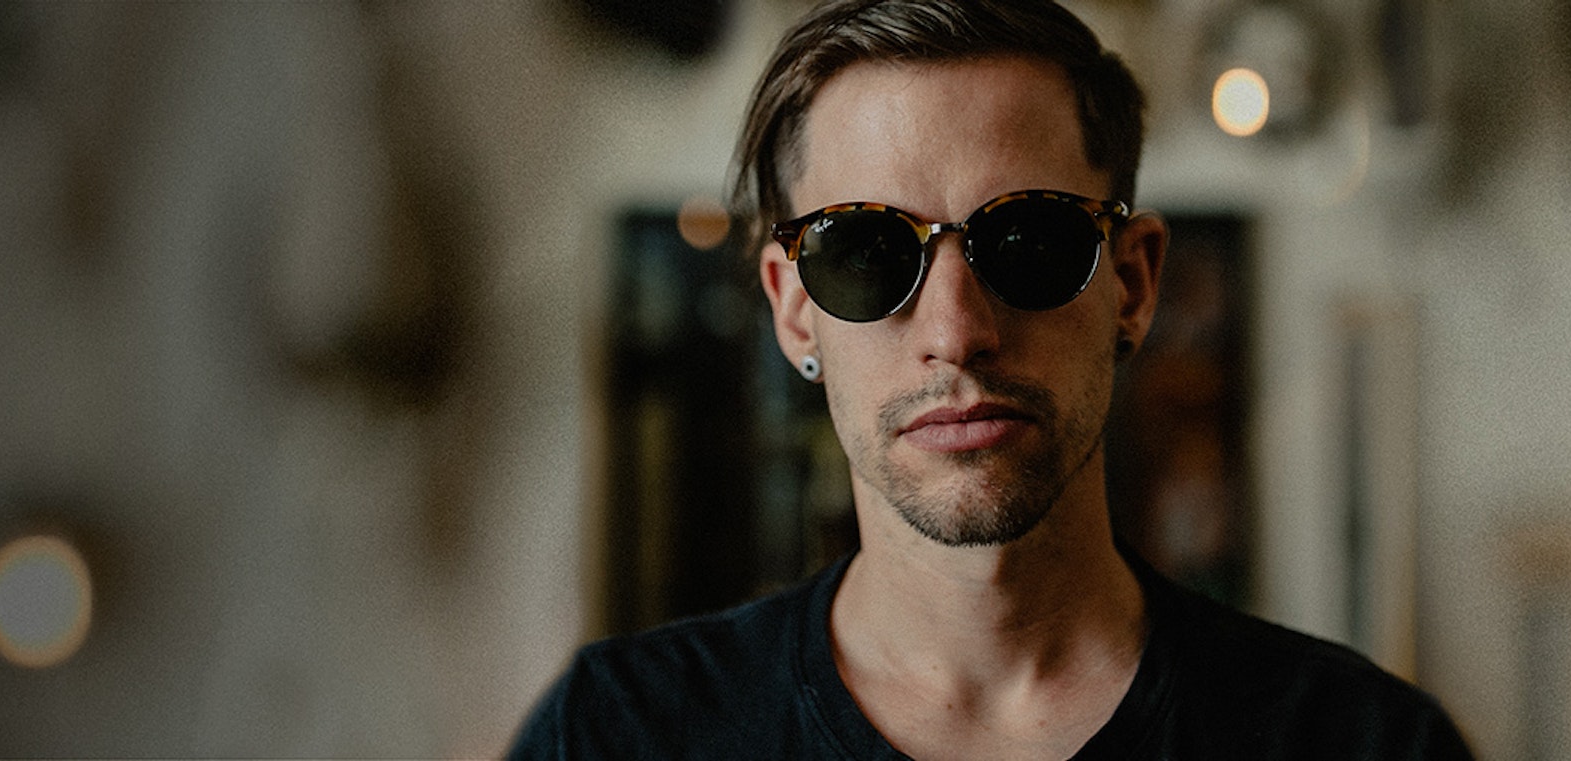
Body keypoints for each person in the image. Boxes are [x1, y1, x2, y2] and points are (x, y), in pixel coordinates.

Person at [507, 1, 1477, 758]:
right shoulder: (614, 735)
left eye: (1029, 241)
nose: (956, 332)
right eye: (866, 253)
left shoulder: (1362, 743)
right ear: (795, 309)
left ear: (1134, 284)